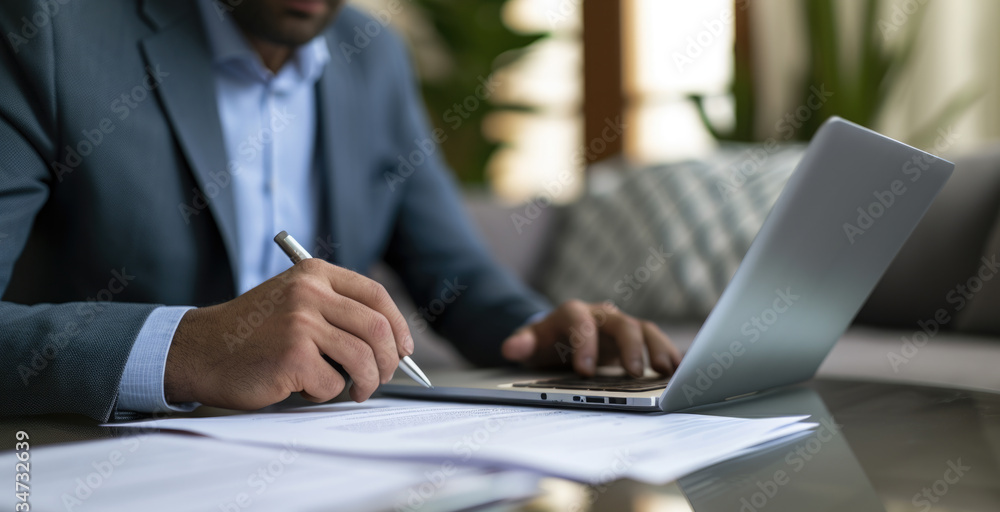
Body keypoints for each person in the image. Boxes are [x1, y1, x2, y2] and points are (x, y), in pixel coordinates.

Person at [0, 0, 679, 422]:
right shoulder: (50, 31)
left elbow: (454, 273)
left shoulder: (372, 55)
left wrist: (544, 331)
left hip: (330, 465)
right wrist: (191, 348)